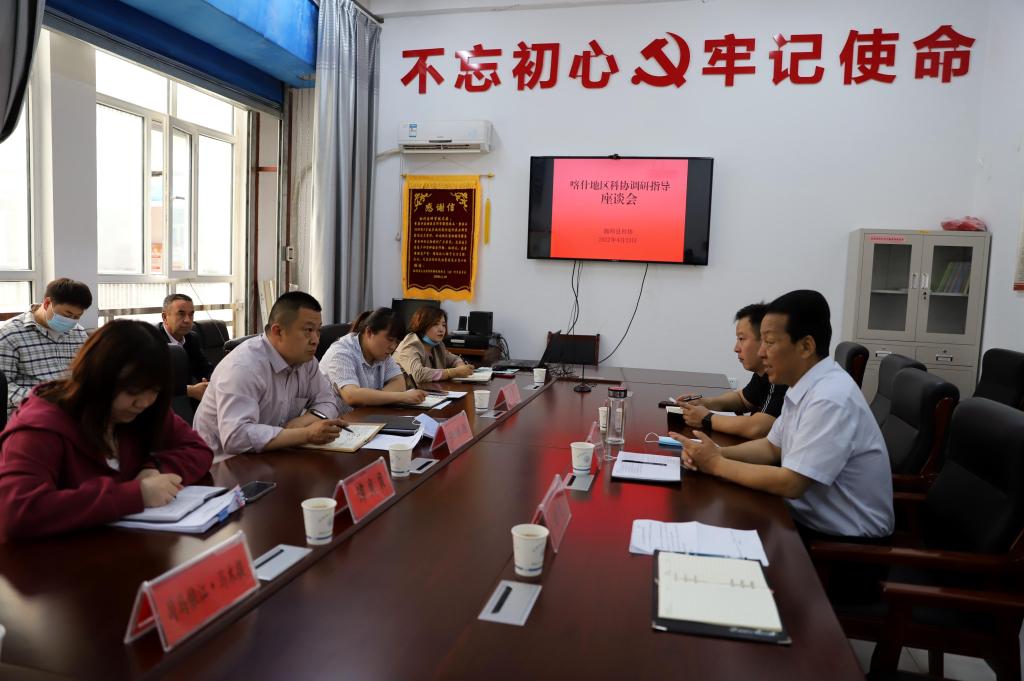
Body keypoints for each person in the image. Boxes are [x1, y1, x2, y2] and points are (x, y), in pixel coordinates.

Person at [674, 290, 894, 539]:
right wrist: (716, 453)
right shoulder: (803, 385)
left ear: (806, 346)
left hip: (846, 543)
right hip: (803, 519)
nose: (761, 353)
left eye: (769, 342)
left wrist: (716, 464)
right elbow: (771, 448)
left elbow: (792, 483)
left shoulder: (830, 398)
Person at [0, 320, 214, 541]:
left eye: (154, 390)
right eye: (132, 391)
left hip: (128, 546)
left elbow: (198, 449)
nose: (143, 402)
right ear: (96, 378)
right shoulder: (39, 426)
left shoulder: (145, 409)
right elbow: (14, 512)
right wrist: (136, 494)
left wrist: (154, 469)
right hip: (60, 555)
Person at [193, 292, 348, 459]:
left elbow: (328, 401)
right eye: (308, 330)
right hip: (221, 463)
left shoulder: (306, 362)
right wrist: (306, 434)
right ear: (278, 331)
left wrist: (302, 422)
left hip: (271, 454)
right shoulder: (243, 367)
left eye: (318, 331)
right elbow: (236, 437)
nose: (315, 340)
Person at [672, 303, 787, 439]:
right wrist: (705, 403)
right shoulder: (763, 373)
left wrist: (706, 418)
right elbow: (743, 399)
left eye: (741, 339)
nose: (736, 348)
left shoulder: (782, 376)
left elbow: (758, 428)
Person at [0, 277, 92, 415]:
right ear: (47, 303)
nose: (71, 321)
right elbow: (4, 387)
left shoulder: (78, 333)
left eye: (77, 316)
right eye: (67, 314)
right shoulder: (10, 334)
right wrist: (42, 400)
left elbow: (84, 374)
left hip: (70, 409)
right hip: (29, 412)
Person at [320, 308, 427, 407]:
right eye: (390, 340)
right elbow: (351, 395)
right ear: (369, 332)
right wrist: (402, 397)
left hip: (364, 416)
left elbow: (399, 382)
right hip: (334, 418)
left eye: (397, 342)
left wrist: (374, 399)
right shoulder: (341, 352)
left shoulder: (382, 353)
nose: (393, 347)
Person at [394, 306, 474, 386]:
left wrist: (461, 367)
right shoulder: (410, 345)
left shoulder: (437, 345)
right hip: (404, 392)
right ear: (422, 326)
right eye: (435, 324)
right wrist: (452, 372)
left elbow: (454, 359)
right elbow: (418, 374)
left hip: (429, 391)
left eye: (443, 325)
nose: (441, 329)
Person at [157, 293, 214, 401]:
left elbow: (204, 368)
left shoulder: (192, 338)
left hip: (185, 400)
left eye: (191, 314)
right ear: (165, 317)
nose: (187, 320)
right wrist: (190, 390)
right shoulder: (153, 341)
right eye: (181, 314)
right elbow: (152, 383)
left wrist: (212, 382)